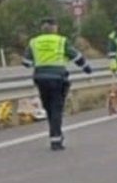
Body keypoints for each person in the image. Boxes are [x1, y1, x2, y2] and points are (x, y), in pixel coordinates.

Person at [22, 18, 92, 151]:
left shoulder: (34, 42)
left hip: (41, 78)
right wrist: (86, 68)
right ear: (55, 28)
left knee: (48, 107)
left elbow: (26, 62)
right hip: (57, 78)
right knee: (56, 108)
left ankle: (55, 135)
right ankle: (56, 139)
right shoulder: (61, 41)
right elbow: (76, 56)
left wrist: (38, 63)